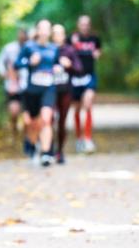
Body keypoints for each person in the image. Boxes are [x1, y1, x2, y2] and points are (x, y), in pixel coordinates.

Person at [16, 19, 72, 167]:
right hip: (32, 90)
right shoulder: (29, 46)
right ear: (38, 30)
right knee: (32, 123)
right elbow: (17, 63)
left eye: (48, 29)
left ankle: (46, 153)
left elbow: (55, 64)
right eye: (42, 28)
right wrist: (29, 62)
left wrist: (59, 66)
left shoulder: (54, 49)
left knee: (47, 119)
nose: (45, 32)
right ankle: (32, 145)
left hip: (49, 88)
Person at [51, 23, 83, 164]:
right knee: (49, 119)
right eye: (55, 33)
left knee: (62, 121)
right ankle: (48, 148)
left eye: (60, 33)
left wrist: (69, 65)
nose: (58, 36)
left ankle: (60, 151)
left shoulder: (69, 50)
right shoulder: (48, 50)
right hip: (49, 90)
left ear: (64, 35)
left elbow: (79, 68)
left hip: (65, 90)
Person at [70, 15, 102, 153]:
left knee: (88, 104)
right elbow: (64, 52)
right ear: (78, 25)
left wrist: (97, 53)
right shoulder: (71, 39)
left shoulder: (95, 39)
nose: (84, 26)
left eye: (87, 24)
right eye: (82, 24)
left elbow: (98, 52)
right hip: (75, 77)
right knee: (77, 109)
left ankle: (88, 139)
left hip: (89, 75)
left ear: (90, 25)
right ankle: (79, 139)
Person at [0, 27, 28, 150]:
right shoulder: (9, 48)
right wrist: (3, 72)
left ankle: (27, 139)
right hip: (12, 86)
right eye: (20, 34)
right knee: (14, 112)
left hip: (26, 86)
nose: (22, 36)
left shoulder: (30, 48)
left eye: (24, 34)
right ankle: (14, 134)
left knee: (27, 116)